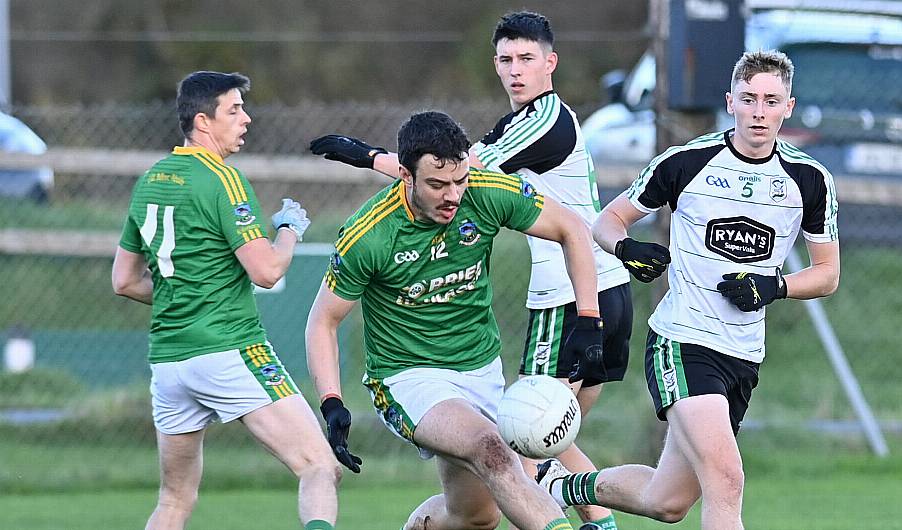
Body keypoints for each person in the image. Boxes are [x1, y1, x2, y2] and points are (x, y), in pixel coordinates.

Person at [309, 13, 638, 529]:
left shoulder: (519, 145)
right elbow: (323, 320)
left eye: (526, 59)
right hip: (411, 379)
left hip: (567, 303)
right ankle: (596, 517)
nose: (454, 195)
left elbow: (569, 225)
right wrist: (332, 402)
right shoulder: (369, 234)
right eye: (506, 60)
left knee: (481, 509)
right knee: (509, 452)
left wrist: (589, 318)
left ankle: (603, 509)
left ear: (551, 63)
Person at [534, 49, 841, 529]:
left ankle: (562, 485)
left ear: (789, 106)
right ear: (730, 102)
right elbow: (607, 221)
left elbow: (827, 274)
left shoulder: (810, 179)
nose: (759, 112)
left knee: (668, 501)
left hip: (743, 353)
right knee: (727, 477)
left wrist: (774, 286)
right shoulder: (686, 162)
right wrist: (628, 249)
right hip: (682, 341)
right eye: (749, 99)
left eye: (771, 100)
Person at [111, 71, 341, 530]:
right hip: (229, 348)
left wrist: (188, 300)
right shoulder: (223, 179)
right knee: (320, 466)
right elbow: (268, 269)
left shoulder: (151, 180)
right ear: (202, 121)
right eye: (234, 110)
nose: (246, 119)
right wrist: (290, 230)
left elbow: (124, 281)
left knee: (174, 500)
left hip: (171, 363)